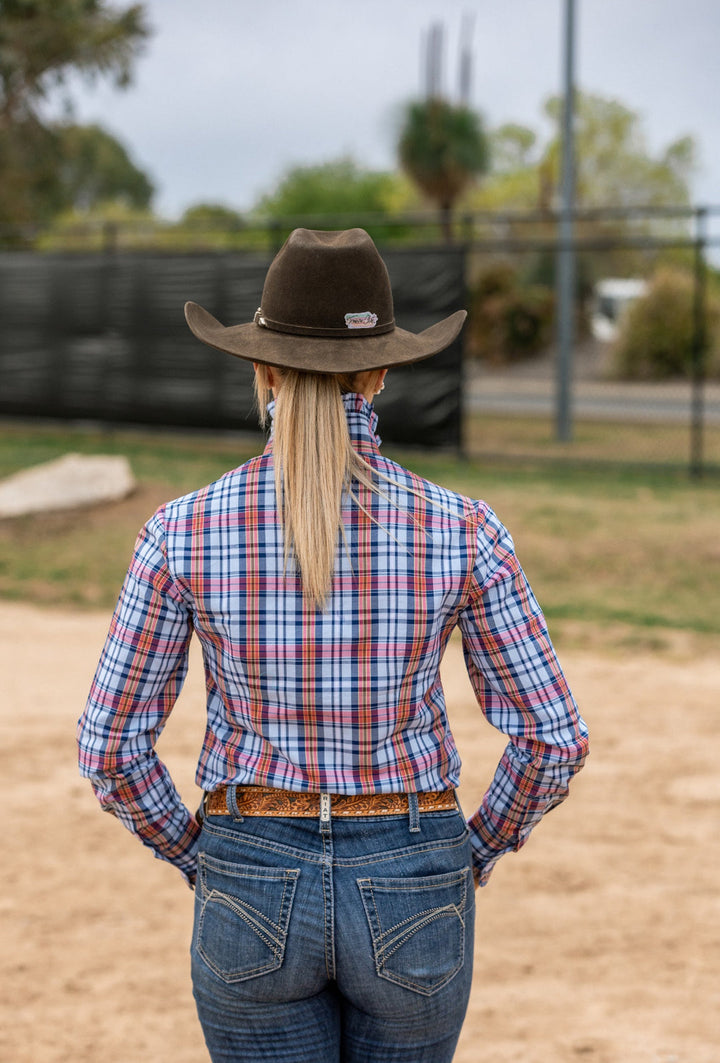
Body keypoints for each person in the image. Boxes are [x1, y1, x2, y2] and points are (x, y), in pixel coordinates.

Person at [77, 227, 588, 1063]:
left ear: (264, 367)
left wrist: (200, 856)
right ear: (382, 371)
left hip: (249, 866)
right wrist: (472, 852)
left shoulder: (181, 531)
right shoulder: (463, 529)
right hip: (414, 870)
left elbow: (110, 748)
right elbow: (553, 738)